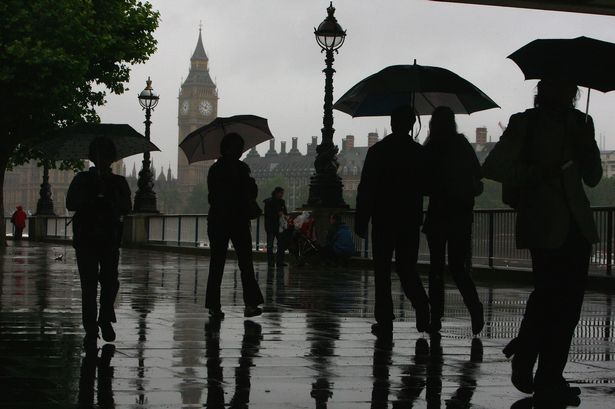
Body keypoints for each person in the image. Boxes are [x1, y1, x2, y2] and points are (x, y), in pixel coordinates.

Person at [482, 78, 602, 406]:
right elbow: (494, 166)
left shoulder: (582, 124)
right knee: (551, 298)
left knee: (569, 307)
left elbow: (593, 176)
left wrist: (585, 143)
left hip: (576, 225)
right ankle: (534, 362)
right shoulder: (525, 124)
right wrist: (538, 173)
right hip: (545, 222)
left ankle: (546, 371)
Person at [355, 105, 430, 338]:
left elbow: (366, 188)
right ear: (411, 125)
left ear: (391, 122)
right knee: (407, 268)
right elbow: (427, 186)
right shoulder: (418, 153)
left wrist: (361, 219)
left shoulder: (378, 151)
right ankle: (421, 304)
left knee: (382, 270)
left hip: (383, 218)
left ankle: (385, 319)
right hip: (408, 218)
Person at [422, 106, 484, 335]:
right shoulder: (462, 145)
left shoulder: (431, 148)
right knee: (458, 267)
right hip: (460, 215)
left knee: (435, 269)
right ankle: (474, 307)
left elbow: (423, 183)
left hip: (438, 214)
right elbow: (478, 176)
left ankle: (435, 317)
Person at [66, 136, 132, 349]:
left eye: (107, 154)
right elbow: (71, 203)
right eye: (99, 153)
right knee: (89, 286)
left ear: (113, 158)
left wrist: (109, 199)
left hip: (110, 238)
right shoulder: (82, 179)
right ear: (93, 157)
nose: (103, 158)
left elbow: (127, 206)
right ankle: (91, 330)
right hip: (86, 238)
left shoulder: (119, 182)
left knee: (111, 282)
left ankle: (104, 316)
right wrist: (93, 198)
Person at [206, 132, 264, 319]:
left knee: (217, 264)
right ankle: (251, 304)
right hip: (238, 220)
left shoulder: (214, 170)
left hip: (218, 221)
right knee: (246, 264)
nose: (241, 151)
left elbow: (212, 197)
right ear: (233, 148)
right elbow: (251, 193)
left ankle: (214, 307)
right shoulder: (241, 168)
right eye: (239, 147)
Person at [263, 186, 288, 267]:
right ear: (277, 193)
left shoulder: (279, 202)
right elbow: (268, 214)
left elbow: (285, 213)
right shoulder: (270, 202)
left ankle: (275, 262)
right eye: (281, 193)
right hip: (273, 226)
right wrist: (278, 214)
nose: (282, 195)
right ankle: (275, 262)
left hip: (275, 226)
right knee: (274, 245)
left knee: (279, 244)